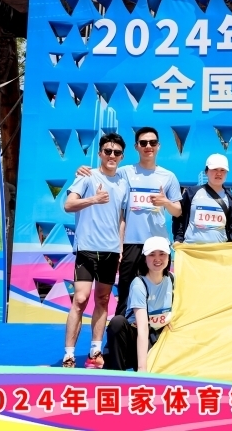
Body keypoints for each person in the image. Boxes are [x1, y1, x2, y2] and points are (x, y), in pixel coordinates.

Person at [78, 127, 181, 316]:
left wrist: (166, 202)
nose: (148, 146)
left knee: (159, 293)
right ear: (136, 147)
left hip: (157, 244)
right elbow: (103, 171)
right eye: (143, 143)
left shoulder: (169, 176)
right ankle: (121, 332)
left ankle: (156, 332)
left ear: (158, 146)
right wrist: (83, 170)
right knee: (126, 291)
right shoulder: (124, 172)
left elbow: (178, 211)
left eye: (152, 142)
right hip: (130, 244)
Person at [62, 133, 129, 369]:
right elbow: (68, 205)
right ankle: (69, 354)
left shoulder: (123, 183)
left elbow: (122, 218)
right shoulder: (87, 176)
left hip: (110, 252)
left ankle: (95, 352)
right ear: (100, 153)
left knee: (103, 299)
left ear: (122, 157)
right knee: (80, 300)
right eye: (107, 151)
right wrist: (94, 199)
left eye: (117, 152)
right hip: (87, 250)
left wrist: (120, 246)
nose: (112, 156)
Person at [103, 236, 173, 372]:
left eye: (162, 254)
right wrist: (142, 368)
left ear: (169, 256)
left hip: (158, 338)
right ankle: (117, 374)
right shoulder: (139, 284)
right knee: (117, 323)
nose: (157, 259)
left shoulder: (173, 280)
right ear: (144, 258)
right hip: (136, 340)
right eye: (152, 254)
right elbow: (142, 328)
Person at [172, 153, 232, 244]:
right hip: (191, 248)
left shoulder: (231, 199)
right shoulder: (191, 193)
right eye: (214, 169)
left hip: (219, 250)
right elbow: (179, 216)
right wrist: (178, 239)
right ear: (206, 172)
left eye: (223, 170)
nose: (219, 173)